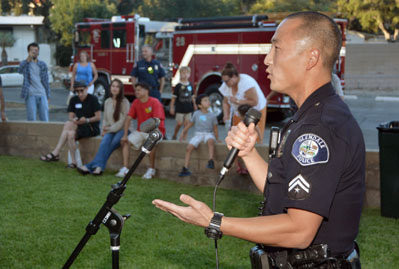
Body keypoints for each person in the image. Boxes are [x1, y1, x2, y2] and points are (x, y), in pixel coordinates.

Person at [153, 11, 364, 268]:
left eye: (276, 48)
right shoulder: (313, 115)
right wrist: (249, 154)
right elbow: (290, 194)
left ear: (311, 57)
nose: (266, 60)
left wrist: (215, 221)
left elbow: (299, 231)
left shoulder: (319, 127)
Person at [40, 81, 101, 168]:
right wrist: (75, 120)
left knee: (68, 125)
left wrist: (87, 120)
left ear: (87, 89)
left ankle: (56, 152)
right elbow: (70, 117)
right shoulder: (74, 100)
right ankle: (73, 162)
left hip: (90, 126)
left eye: (81, 91)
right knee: (70, 132)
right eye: (77, 91)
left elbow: (98, 117)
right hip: (79, 125)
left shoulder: (93, 99)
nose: (79, 93)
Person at [77, 79, 130, 175]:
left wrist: (109, 129)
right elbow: (105, 118)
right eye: (113, 86)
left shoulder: (124, 102)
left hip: (123, 130)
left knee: (113, 143)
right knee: (105, 141)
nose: (114, 88)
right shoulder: (107, 101)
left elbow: (123, 121)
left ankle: (91, 166)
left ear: (121, 89)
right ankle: (98, 168)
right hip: (110, 129)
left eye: (117, 87)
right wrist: (103, 129)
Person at [116, 82, 165, 179]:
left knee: (152, 142)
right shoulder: (135, 102)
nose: (136, 92)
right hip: (141, 131)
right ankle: (125, 168)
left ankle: (151, 170)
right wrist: (125, 135)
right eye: (136, 90)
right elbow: (128, 118)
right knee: (125, 142)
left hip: (156, 130)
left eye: (138, 90)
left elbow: (157, 120)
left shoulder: (155, 102)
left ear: (146, 91)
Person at [219, 62, 267, 142]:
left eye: (227, 81)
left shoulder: (246, 83)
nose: (225, 84)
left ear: (234, 77)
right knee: (237, 137)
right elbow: (225, 102)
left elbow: (254, 102)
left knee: (254, 138)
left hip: (255, 110)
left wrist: (237, 101)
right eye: (224, 81)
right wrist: (226, 116)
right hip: (239, 112)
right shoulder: (226, 85)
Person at [178, 94, 218, 177]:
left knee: (210, 141)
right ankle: (185, 168)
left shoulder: (212, 115)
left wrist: (217, 138)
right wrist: (183, 132)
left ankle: (211, 160)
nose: (208, 102)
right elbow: (190, 124)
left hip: (208, 133)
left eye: (208, 100)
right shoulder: (196, 114)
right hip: (198, 134)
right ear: (199, 105)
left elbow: (215, 128)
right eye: (205, 100)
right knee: (189, 148)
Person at [19, 42, 51, 122]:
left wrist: (48, 95)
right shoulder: (25, 63)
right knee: (31, 119)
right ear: (28, 52)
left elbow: (46, 81)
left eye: (36, 50)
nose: (34, 52)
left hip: (42, 94)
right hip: (30, 94)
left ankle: (44, 134)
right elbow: (19, 70)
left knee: (45, 119)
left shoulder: (42, 64)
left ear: (38, 51)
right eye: (32, 50)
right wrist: (28, 59)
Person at [169, 66, 196, 140]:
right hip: (180, 108)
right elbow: (174, 98)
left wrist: (194, 104)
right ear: (180, 74)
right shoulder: (178, 86)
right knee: (179, 123)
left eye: (187, 73)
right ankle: (175, 134)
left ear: (189, 74)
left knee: (186, 124)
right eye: (183, 73)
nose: (185, 75)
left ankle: (184, 138)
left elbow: (192, 96)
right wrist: (172, 107)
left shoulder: (190, 84)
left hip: (188, 108)